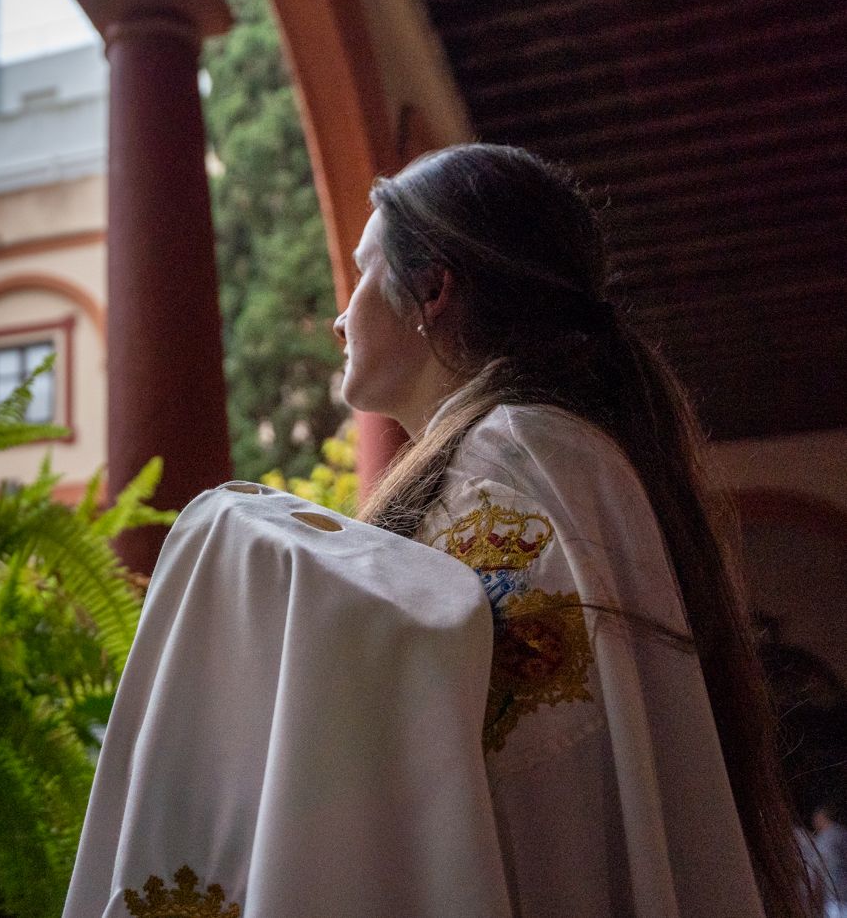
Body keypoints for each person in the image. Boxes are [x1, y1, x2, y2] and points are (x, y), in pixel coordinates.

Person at [339, 143, 807, 916]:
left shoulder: (509, 460)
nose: (339, 314)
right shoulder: (542, 453)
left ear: (430, 288)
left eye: (363, 272)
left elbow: (531, 776)